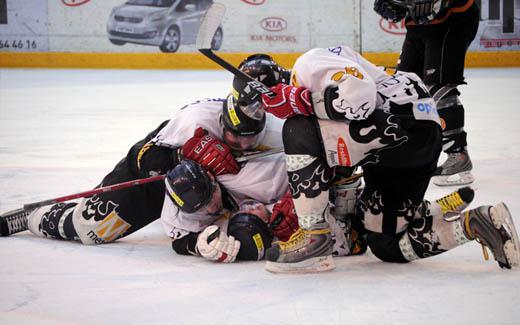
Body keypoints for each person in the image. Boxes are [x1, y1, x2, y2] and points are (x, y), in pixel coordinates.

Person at [258, 45, 519, 273]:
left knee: (298, 128)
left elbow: (360, 95)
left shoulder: (308, 63)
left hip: (401, 125)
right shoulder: (334, 70)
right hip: (416, 139)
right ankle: (475, 223)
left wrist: (301, 100)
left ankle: (314, 239)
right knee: (385, 244)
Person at [0, 54, 289, 243]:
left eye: (249, 139)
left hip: (215, 196)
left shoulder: (276, 128)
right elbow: (145, 156)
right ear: (222, 119)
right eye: (232, 135)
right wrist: (183, 154)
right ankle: (35, 216)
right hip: (166, 178)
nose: (240, 144)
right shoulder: (195, 120)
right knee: (93, 227)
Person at [161, 159, 366, 263]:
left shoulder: (257, 176)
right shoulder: (177, 213)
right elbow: (180, 241)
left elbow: (318, 162)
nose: (210, 208)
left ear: (211, 178)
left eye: (210, 198)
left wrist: (303, 198)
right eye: (201, 208)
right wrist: (199, 245)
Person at [373, 0, 480, 186]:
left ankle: (458, 155)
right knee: (403, 87)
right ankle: (411, 152)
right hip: (418, 25)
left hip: (452, 21)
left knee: (438, 88)